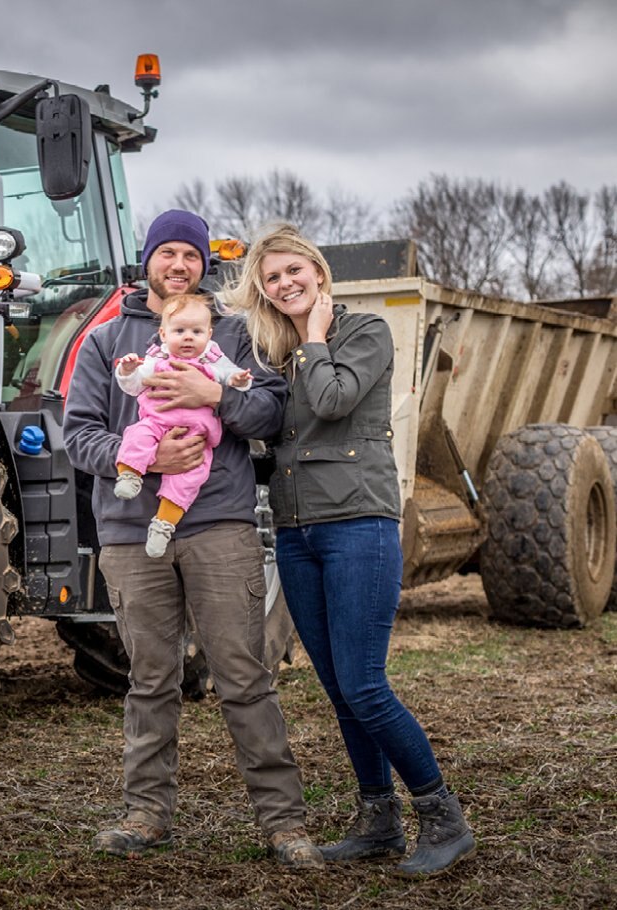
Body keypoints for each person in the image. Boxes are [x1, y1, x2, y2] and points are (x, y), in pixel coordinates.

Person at [64, 210, 322, 868]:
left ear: (204, 264)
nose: (178, 264)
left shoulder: (233, 333)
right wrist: (146, 459)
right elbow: (79, 435)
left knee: (243, 674)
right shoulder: (104, 342)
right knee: (150, 678)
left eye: (190, 255)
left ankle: (283, 822)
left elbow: (269, 410)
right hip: (130, 532)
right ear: (147, 259)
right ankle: (147, 813)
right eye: (166, 253)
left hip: (218, 525)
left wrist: (216, 393)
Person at [226, 222, 476, 877]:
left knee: (366, 685)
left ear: (318, 273)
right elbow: (269, 440)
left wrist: (311, 337)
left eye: (292, 272)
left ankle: (443, 816)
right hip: (296, 531)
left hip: (358, 524)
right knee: (338, 688)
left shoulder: (363, 332)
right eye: (271, 278)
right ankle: (378, 820)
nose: (284, 284)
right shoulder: (274, 355)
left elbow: (334, 401)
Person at [113, 293, 252, 557]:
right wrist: (128, 371)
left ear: (209, 335)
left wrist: (239, 381)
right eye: (180, 330)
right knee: (136, 435)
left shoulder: (213, 361)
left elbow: (232, 376)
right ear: (163, 335)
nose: (188, 337)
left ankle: (163, 525)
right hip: (156, 423)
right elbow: (132, 387)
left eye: (197, 331)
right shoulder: (155, 361)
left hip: (197, 438)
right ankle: (130, 473)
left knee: (190, 479)